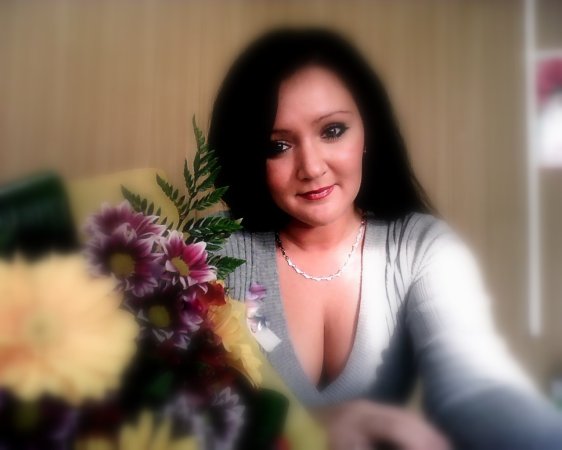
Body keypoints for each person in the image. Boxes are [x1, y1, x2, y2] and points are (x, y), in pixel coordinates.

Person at [208, 28, 562, 450]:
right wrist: (312, 427)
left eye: (332, 131)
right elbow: (178, 420)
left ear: (368, 132)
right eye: (278, 146)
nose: (312, 167)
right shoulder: (206, 254)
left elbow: (476, 388)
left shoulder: (421, 249)